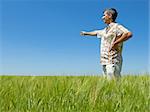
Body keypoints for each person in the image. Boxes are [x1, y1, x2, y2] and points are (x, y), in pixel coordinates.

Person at [80, 8, 132, 80]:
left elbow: (128, 34)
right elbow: (96, 32)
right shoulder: (105, 30)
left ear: (110, 15)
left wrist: (115, 43)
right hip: (104, 60)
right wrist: (85, 33)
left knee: (113, 81)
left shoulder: (117, 26)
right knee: (107, 81)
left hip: (113, 59)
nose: (102, 17)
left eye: (104, 15)